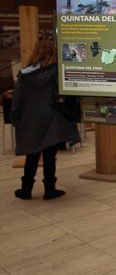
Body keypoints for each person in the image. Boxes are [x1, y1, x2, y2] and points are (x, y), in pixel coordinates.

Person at [11, 38, 81, 200]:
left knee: (32, 156)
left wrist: (16, 119)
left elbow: (17, 102)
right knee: (50, 156)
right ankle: (50, 189)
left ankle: (26, 190)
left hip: (31, 121)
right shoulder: (58, 73)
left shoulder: (25, 75)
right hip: (54, 120)